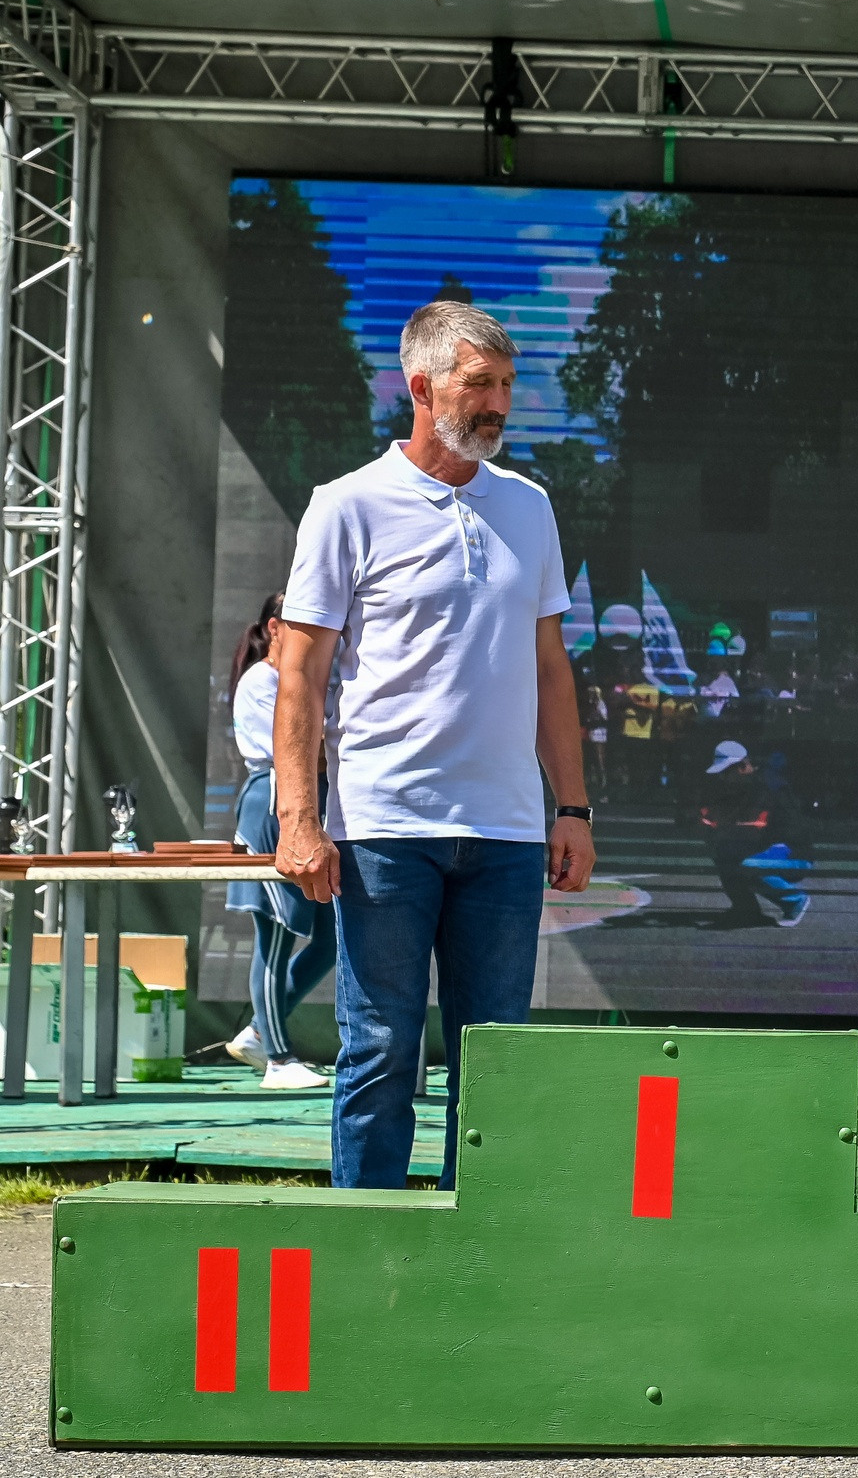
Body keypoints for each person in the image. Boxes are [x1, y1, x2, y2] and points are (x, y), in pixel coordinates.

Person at [271, 299, 595, 1190]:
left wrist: (571, 808)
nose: (498, 403)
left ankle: (477, 1259)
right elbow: (297, 672)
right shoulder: (347, 506)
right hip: (384, 826)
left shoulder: (529, 507)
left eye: (506, 385)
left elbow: (550, 672)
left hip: (506, 830)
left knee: (497, 1063)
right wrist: (299, 817)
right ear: (420, 388)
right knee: (378, 1050)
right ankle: (363, 1254)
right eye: (478, 384)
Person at [221, 593, 335, 1091]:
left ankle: (257, 1031)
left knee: (330, 939)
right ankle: (279, 1060)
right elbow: (301, 752)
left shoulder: (306, 681)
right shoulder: (261, 682)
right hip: (273, 803)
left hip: (317, 804)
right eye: (299, 622)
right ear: (274, 628)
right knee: (277, 932)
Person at [694, 739, 810, 927]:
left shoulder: (767, 786)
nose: (723, 778)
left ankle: (794, 900)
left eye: (725, 772)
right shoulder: (744, 787)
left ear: (741, 766)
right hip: (769, 847)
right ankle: (746, 910)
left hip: (794, 852)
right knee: (725, 855)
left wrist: (722, 830)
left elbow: (753, 829)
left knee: (746, 864)